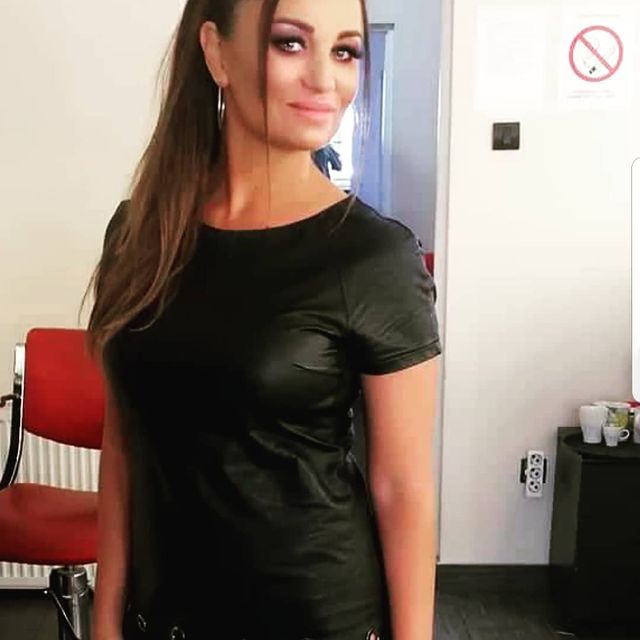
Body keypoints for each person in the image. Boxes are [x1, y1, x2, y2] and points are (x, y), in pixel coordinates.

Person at [83, 1, 442, 639]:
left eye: (345, 51)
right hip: (161, 617)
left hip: (314, 617)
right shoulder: (140, 234)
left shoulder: (373, 257)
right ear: (216, 52)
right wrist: (106, 616)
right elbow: (124, 442)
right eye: (289, 43)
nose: (326, 80)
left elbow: (403, 490)